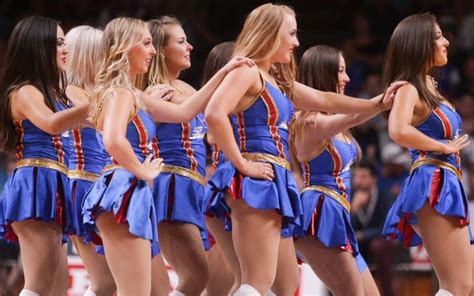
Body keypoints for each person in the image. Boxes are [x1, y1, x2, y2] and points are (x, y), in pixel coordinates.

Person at [204, 3, 404, 295]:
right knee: (256, 281)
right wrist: (242, 164)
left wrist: (378, 103)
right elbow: (214, 113)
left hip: (273, 179)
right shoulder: (247, 71)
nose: (297, 42)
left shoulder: (276, 80)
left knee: (284, 284)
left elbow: (325, 99)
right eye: (292, 33)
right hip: (255, 180)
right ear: (271, 34)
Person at [82, 17, 254, 296]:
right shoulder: (122, 93)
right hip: (123, 189)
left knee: (150, 290)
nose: (151, 51)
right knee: (136, 291)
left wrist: (224, 72)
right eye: (146, 43)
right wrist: (142, 170)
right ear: (126, 47)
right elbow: (113, 139)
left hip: (128, 190)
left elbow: (186, 112)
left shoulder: (132, 93)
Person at [381, 13, 472, 296]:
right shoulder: (409, 87)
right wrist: (443, 147)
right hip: (432, 183)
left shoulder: (429, 85)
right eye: (438, 36)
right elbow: (397, 130)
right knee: (458, 285)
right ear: (419, 43)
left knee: (466, 285)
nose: (446, 41)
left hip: (445, 181)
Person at [0, 16, 89, 296]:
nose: (66, 49)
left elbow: (88, 119)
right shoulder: (24, 91)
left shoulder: (55, 94)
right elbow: (51, 124)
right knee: (38, 285)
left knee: (56, 287)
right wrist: (95, 103)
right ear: (38, 47)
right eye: (59, 42)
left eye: (65, 42)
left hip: (53, 182)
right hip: (35, 182)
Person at [290, 45, 380, 296]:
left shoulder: (332, 118)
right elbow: (352, 117)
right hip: (319, 214)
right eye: (341, 71)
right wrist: (379, 103)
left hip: (339, 215)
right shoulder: (307, 121)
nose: (347, 78)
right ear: (323, 74)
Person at [65, 25, 116, 296]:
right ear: (88, 55)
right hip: (83, 185)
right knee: (104, 282)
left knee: (110, 282)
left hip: (99, 185)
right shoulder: (70, 92)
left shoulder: (94, 93)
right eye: (102, 52)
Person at [351, 161, 397, 296]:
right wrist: (353, 209)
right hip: (359, 242)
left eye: (363, 176)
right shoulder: (350, 196)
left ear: (373, 179)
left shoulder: (384, 195)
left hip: (382, 240)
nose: (358, 181)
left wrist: (364, 235)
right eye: (356, 176)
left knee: (378, 246)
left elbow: (387, 226)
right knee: (343, 249)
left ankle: (387, 293)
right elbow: (346, 228)